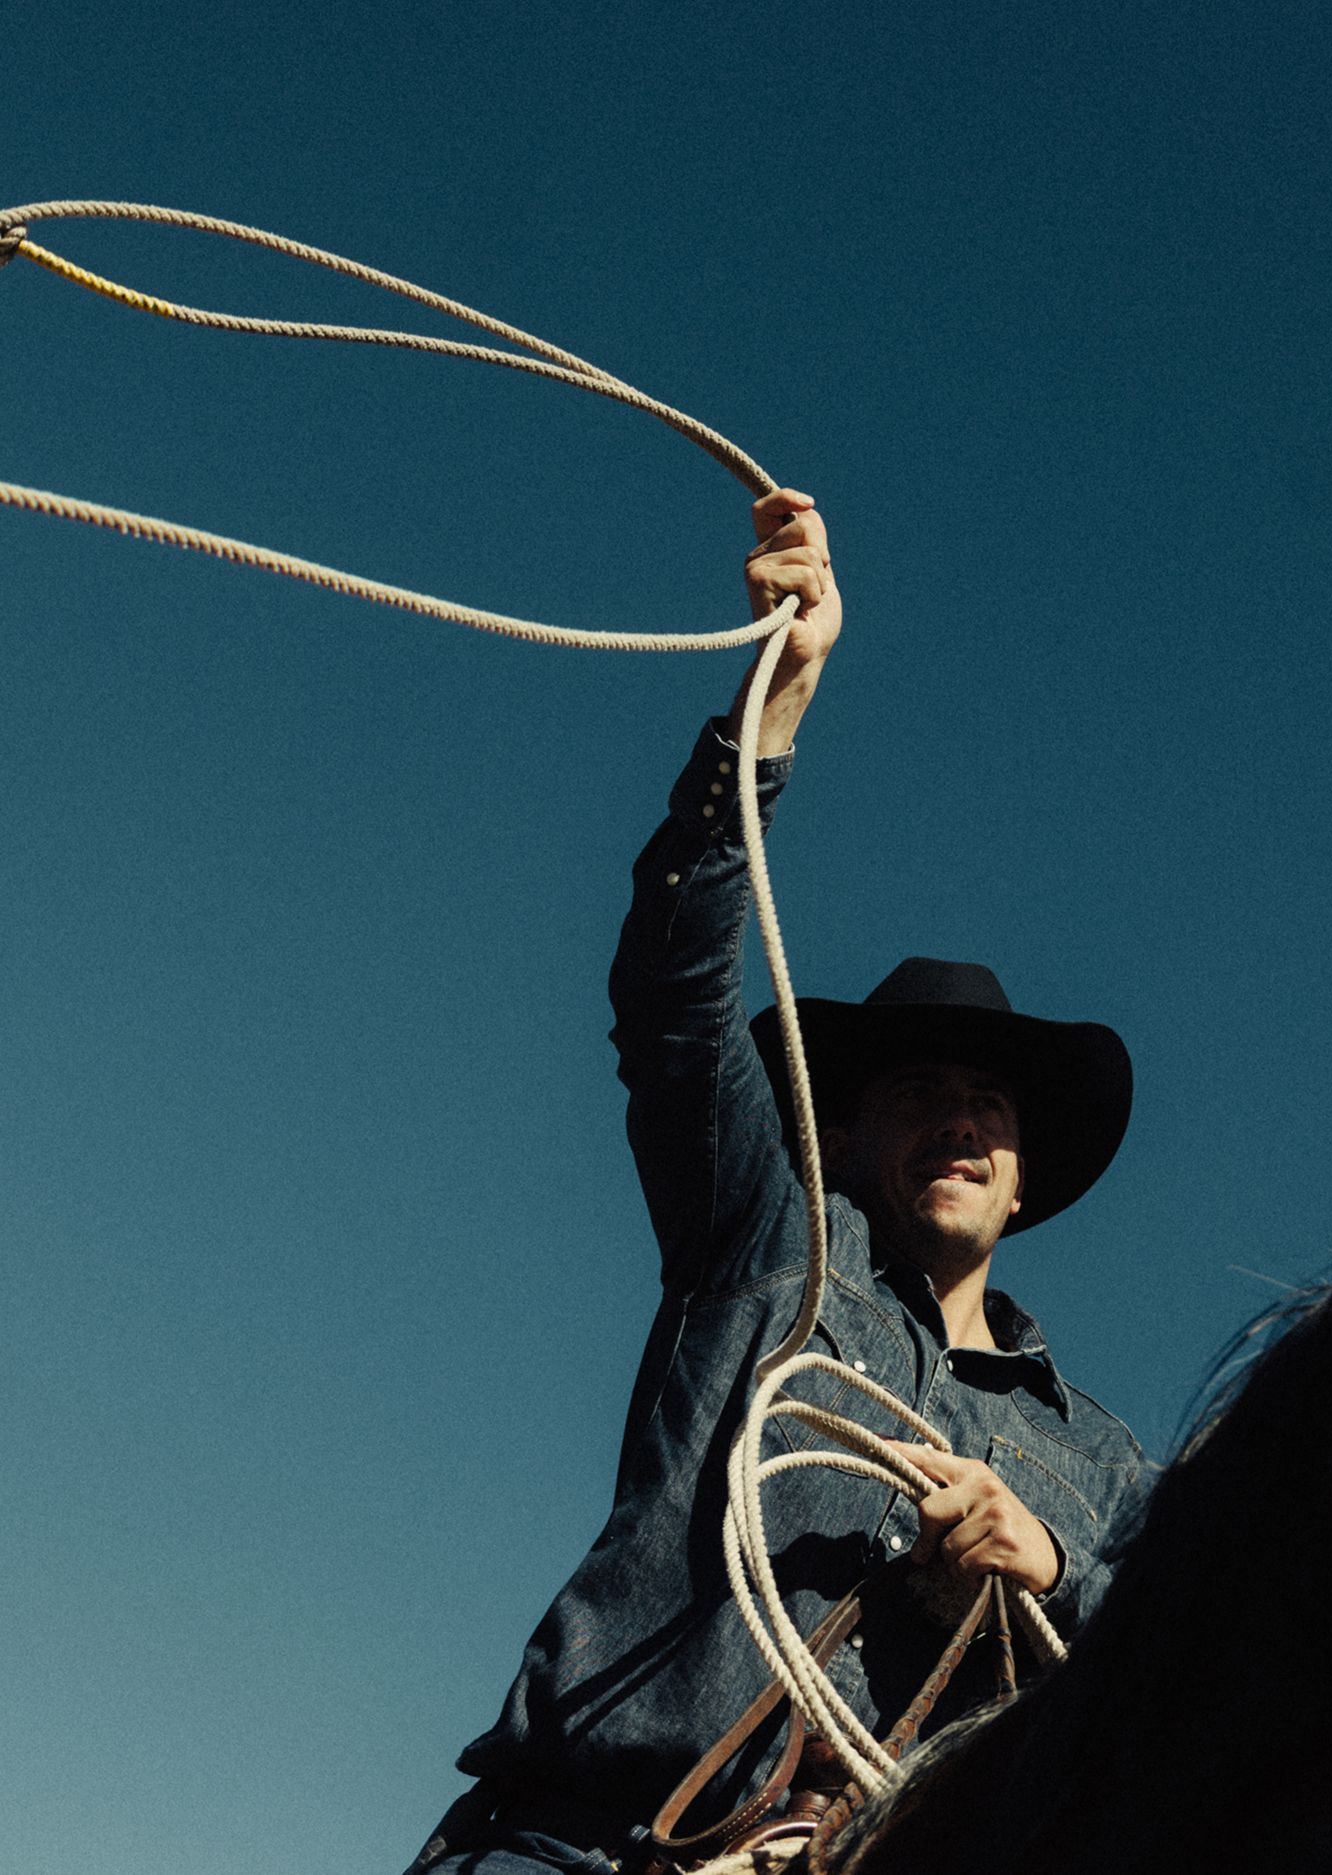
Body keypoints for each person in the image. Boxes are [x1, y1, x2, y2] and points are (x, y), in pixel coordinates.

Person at [406, 491, 1147, 1874]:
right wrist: (775, 706)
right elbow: (676, 993)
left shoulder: (1100, 1465)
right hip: (576, 1841)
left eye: (989, 1105)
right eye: (915, 1092)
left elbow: (1191, 1672)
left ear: (1025, 1181)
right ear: (842, 1140)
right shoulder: (770, 1240)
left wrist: (1047, 1567)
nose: (958, 1122)